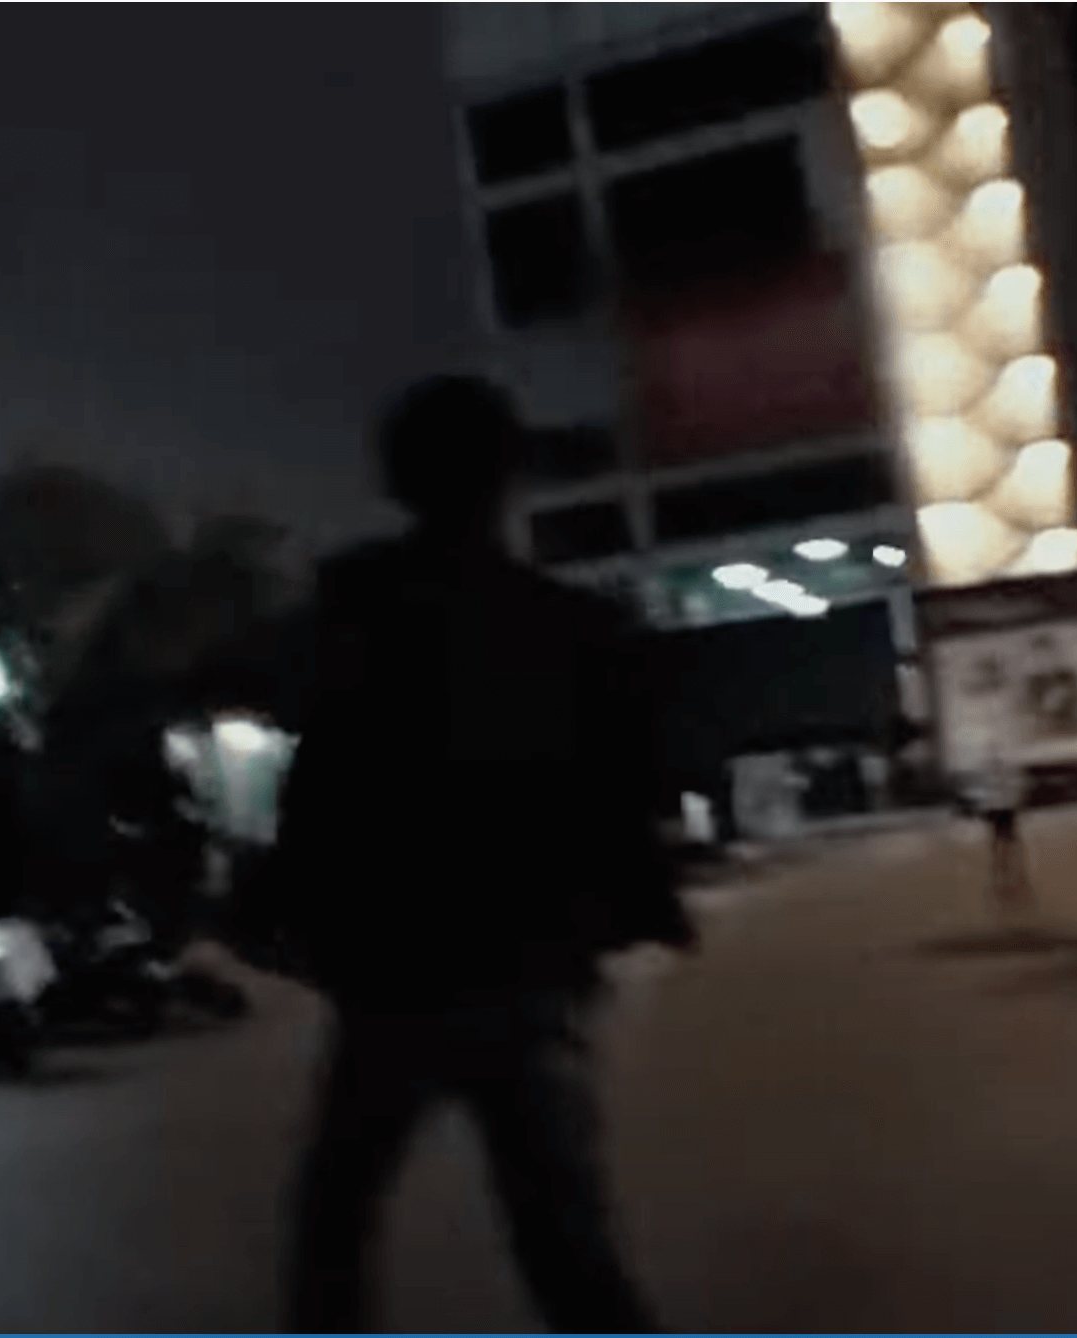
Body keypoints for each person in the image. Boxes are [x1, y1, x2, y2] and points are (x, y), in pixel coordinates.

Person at [266, 375, 696, 1334]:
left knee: (335, 1228)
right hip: (530, 970)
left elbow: (316, 772)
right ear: (506, 479)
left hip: (396, 973)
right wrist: (642, 903)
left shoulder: (356, 614)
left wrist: (297, 916)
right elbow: (625, 792)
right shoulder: (570, 626)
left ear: (397, 479)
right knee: (566, 1242)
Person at [971, 748, 1032, 914]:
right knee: (1011, 838)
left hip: (997, 809)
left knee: (998, 839)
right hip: (1006, 808)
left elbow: (982, 793)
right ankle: (1014, 870)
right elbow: (1019, 785)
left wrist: (983, 808)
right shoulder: (1008, 771)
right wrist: (1018, 801)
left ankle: (1001, 870)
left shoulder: (988, 772)